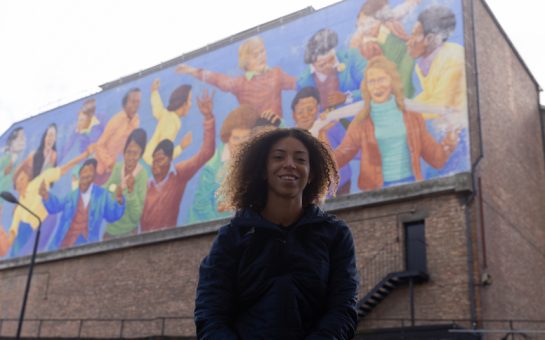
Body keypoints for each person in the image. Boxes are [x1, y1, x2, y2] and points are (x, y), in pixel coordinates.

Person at [195, 128, 358, 339]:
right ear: (263, 170)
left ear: (312, 173)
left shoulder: (336, 235)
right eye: (278, 157)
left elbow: (342, 309)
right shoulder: (231, 237)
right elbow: (211, 314)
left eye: (300, 159)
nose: (290, 164)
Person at [322, 56, 459, 191]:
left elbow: (436, 158)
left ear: (392, 82)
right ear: (367, 86)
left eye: (382, 79)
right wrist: (322, 134)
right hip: (375, 196)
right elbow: (338, 159)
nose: (377, 86)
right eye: (372, 81)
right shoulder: (361, 122)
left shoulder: (412, 117)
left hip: (412, 189)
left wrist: (451, 138)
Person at [139, 90, 216, 232]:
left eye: (160, 160)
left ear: (169, 160)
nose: (155, 165)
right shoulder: (146, 184)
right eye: (154, 160)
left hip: (169, 244)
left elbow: (206, 153)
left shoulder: (179, 174)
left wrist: (208, 118)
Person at [176, 36, 296, 118]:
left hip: (279, 131)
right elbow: (217, 79)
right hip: (256, 137)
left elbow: (300, 84)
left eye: (262, 51)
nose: (261, 57)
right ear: (246, 62)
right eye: (255, 55)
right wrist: (192, 71)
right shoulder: (240, 83)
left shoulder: (276, 74)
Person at [0, 150, 89, 257]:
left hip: (48, 219)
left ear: (28, 178)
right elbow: (13, 231)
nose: (20, 183)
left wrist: (84, 155)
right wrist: (4, 245)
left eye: (23, 179)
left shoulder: (38, 182)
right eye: (18, 181)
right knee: (26, 254)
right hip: (37, 230)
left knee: (30, 253)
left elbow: (62, 170)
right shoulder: (18, 207)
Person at [188, 105, 260, 224]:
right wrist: (222, 225)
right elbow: (201, 205)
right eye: (236, 138)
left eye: (245, 139)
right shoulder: (212, 167)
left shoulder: (255, 158)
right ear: (228, 139)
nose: (240, 145)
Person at [42, 158, 125, 250]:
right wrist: (46, 195)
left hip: (88, 246)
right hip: (65, 243)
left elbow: (111, 215)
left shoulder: (102, 195)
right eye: (85, 170)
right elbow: (55, 206)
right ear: (80, 174)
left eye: (90, 171)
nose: (87, 174)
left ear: (94, 176)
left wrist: (119, 200)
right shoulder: (71, 196)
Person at [349, 0, 419, 98]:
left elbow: (398, 12)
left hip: (402, 93)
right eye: (360, 25)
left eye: (369, 23)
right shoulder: (368, 46)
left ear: (380, 21)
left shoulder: (395, 37)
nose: (364, 29)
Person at [291, 86, 352, 195]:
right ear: (294, 115)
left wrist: (325, 130)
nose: (306, 115)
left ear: (318, 108)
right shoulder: (290, 138)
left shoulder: (331, 125)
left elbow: (349, 149)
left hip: (340, 186)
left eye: (310, 109)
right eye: (300, 112)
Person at [297, 28, 367, 111]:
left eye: (332, 60)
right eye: (322, 65)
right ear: (313, 65)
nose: (329, 66)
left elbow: (372, 87)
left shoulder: (352, 57)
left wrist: (346, 97)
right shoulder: (303, 82)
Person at [103, 128, 148, 239]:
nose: (131, 158)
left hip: (129, 234)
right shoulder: (118, 168)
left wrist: (130, 191)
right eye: (128, 152)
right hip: (110, 231)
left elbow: (136, 216)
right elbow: (108, 188)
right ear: (124, 151)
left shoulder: (142, 176)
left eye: (135, 153)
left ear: (141, 155)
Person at [93, 88, 141, 184]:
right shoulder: (117, 120)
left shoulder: (135, 121)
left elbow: (127, 146)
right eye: (133, 101)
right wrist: (109, 162)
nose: (136, 105)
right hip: (99, 168)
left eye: (138, 102)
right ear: (125, 104)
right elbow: (99, 144)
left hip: (112, 171)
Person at [142, 79, 193, 165]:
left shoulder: (167, 114)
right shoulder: (172, 123)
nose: (191, 104)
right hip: (151, 163)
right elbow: (163, 154)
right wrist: (181, 147)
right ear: (183, 104)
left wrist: (154, 92)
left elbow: (158, 109)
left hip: (146, 159)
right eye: (190, 100)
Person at [59, 98, 103, 163]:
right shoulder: (77, 129)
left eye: (92, 108)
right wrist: (59, 159)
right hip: (87, 159)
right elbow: (68, 146)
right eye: (86, 108)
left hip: (101, 154)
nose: (91, 111)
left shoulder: (100, 120)